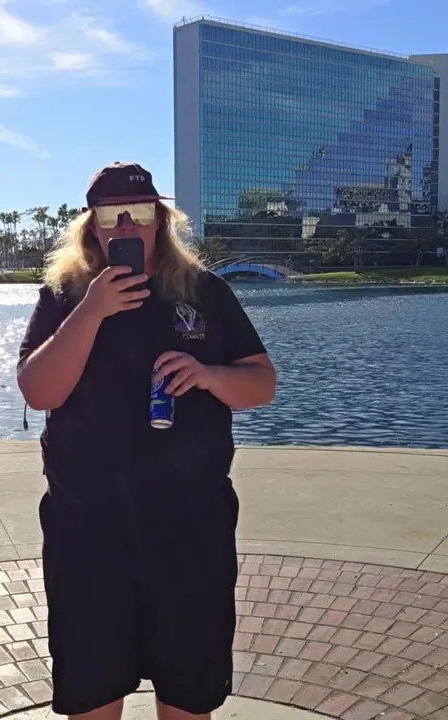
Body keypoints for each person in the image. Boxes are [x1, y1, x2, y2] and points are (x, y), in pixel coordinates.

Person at [17, 162, 276, 720]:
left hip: (191, 528)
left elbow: (262, 385)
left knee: (188, 695)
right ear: (92, 226)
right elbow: (39, 391)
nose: (126, 224)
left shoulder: (205, 291)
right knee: (93, 694)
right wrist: (92, 311)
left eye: (139, 211)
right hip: (88, 530)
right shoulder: (65, 295)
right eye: (111, 214)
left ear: (161, 219)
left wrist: (209, 375)